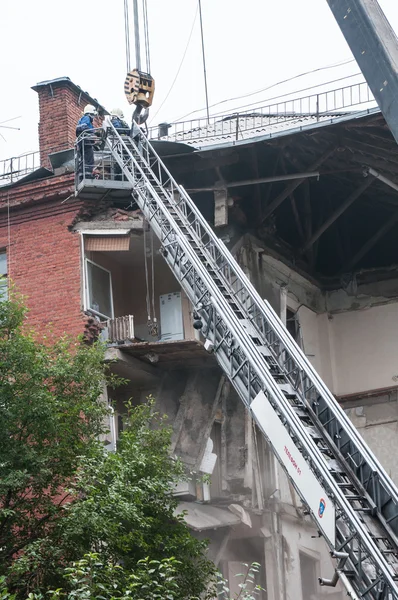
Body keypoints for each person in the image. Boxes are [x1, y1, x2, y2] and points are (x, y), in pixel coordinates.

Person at [76, 104, 97, 180]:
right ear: (90, 113)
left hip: (83, 142)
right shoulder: (86, 118)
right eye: (93, 115)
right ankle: (87, 174)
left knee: (84, 159)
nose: (93, 117)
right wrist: (94, 132)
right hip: (86, 142)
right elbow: (84, 127)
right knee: (89, 158)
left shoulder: (83, 118)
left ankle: (83, 174)